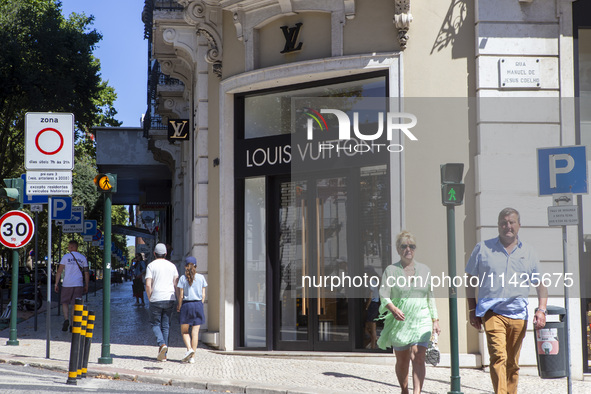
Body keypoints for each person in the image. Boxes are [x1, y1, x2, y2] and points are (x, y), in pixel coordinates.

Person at [466, 207, 547, 394]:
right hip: (492, 313)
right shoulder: (483, 248)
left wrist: (541, 310)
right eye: (503, 222)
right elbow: (470, 281)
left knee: (512, 363)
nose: (507, 226)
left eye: (511, 222)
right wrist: (472, 309)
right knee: (498, 357)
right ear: (498, 225)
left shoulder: (529, 252)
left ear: (519, 225)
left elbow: (541, 284)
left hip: (519, 314)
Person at [377, 230, 440, 394]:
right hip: (400, 321)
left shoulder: (425, 270)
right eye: (404, 246)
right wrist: (393, 308)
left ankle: (416, 392)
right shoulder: (391, 270)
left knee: (418, 357)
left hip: (421, 319)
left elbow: (430, 295)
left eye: (412, 246)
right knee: (402, 362)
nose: (408, 249)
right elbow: (384, 295)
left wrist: (435, 319)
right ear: (398, 249)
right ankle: (404, 389)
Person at [145, 243, 179, 362]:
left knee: (155, 324)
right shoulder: (172, 266)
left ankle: (161, 344)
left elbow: (148, 285)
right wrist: (178, 299)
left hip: (156, 298)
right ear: (165, 253)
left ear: (154, 253)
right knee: (166, 326)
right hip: (170, 298)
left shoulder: (151, 265)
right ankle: (164, 355)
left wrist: (150, 297)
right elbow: (176, 284)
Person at [176, 256, 208, 363]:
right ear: (196, 266)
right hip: (198, 305)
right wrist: (200, 304)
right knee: (195, 333)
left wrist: (179, 306)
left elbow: (181, 295)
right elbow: (203, 295)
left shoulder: (182, 278)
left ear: (185, 266)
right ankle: (192, 357)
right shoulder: (201, 278)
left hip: (186, 305)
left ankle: (189, 349)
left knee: (185, 331)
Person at [54, 240, 89, 332]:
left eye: (69, 246)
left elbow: (59, 271)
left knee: (65, 302)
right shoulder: (83, 258)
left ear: (73, 247)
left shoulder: (66, 257)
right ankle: (73, 324)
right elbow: (86, 273)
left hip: (67, 284)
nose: (68, 248)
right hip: (78, 283)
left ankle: (66, 319)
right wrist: (87, 285)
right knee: (75, 304)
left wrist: (56, 283)